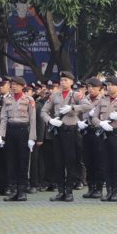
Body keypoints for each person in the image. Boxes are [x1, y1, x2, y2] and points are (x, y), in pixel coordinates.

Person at [41, 71, 84, 202]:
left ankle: (69, 191)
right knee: (58, 162)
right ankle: (60, 191)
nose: (63, 82)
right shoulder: (55, 95)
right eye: (61, 80)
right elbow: (43, 111)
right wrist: (50, 120)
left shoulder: (76, 95)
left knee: (70, 162)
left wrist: (72, 108)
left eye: (65, 80)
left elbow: (88, 106)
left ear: (71, 82)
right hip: (58, 131)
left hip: (71, 131)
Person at [0, 76, 38, 202]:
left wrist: (32, 138)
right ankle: (13, 190)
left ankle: (22, 191)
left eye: (16, 84)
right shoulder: (7, 99)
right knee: (11, 162)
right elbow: (3, 118)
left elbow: (32, 120)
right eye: (12, 84)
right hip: (10, 131)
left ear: (22, 86)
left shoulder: (29, 99)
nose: (13, 87)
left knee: (23, 161)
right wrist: (0, 135)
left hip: (23, 131)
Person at [78, 78, 105, 199]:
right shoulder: (84, 100)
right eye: (89, 87)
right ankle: (91, 187)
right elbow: (77, 114)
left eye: (94, 87)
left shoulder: (103, 100)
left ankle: (98, 188)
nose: (91, 89)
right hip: (86, 131)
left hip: (98, 132)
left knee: (98, 161)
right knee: (88, 161)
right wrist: (79, 122)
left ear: (100, 88)